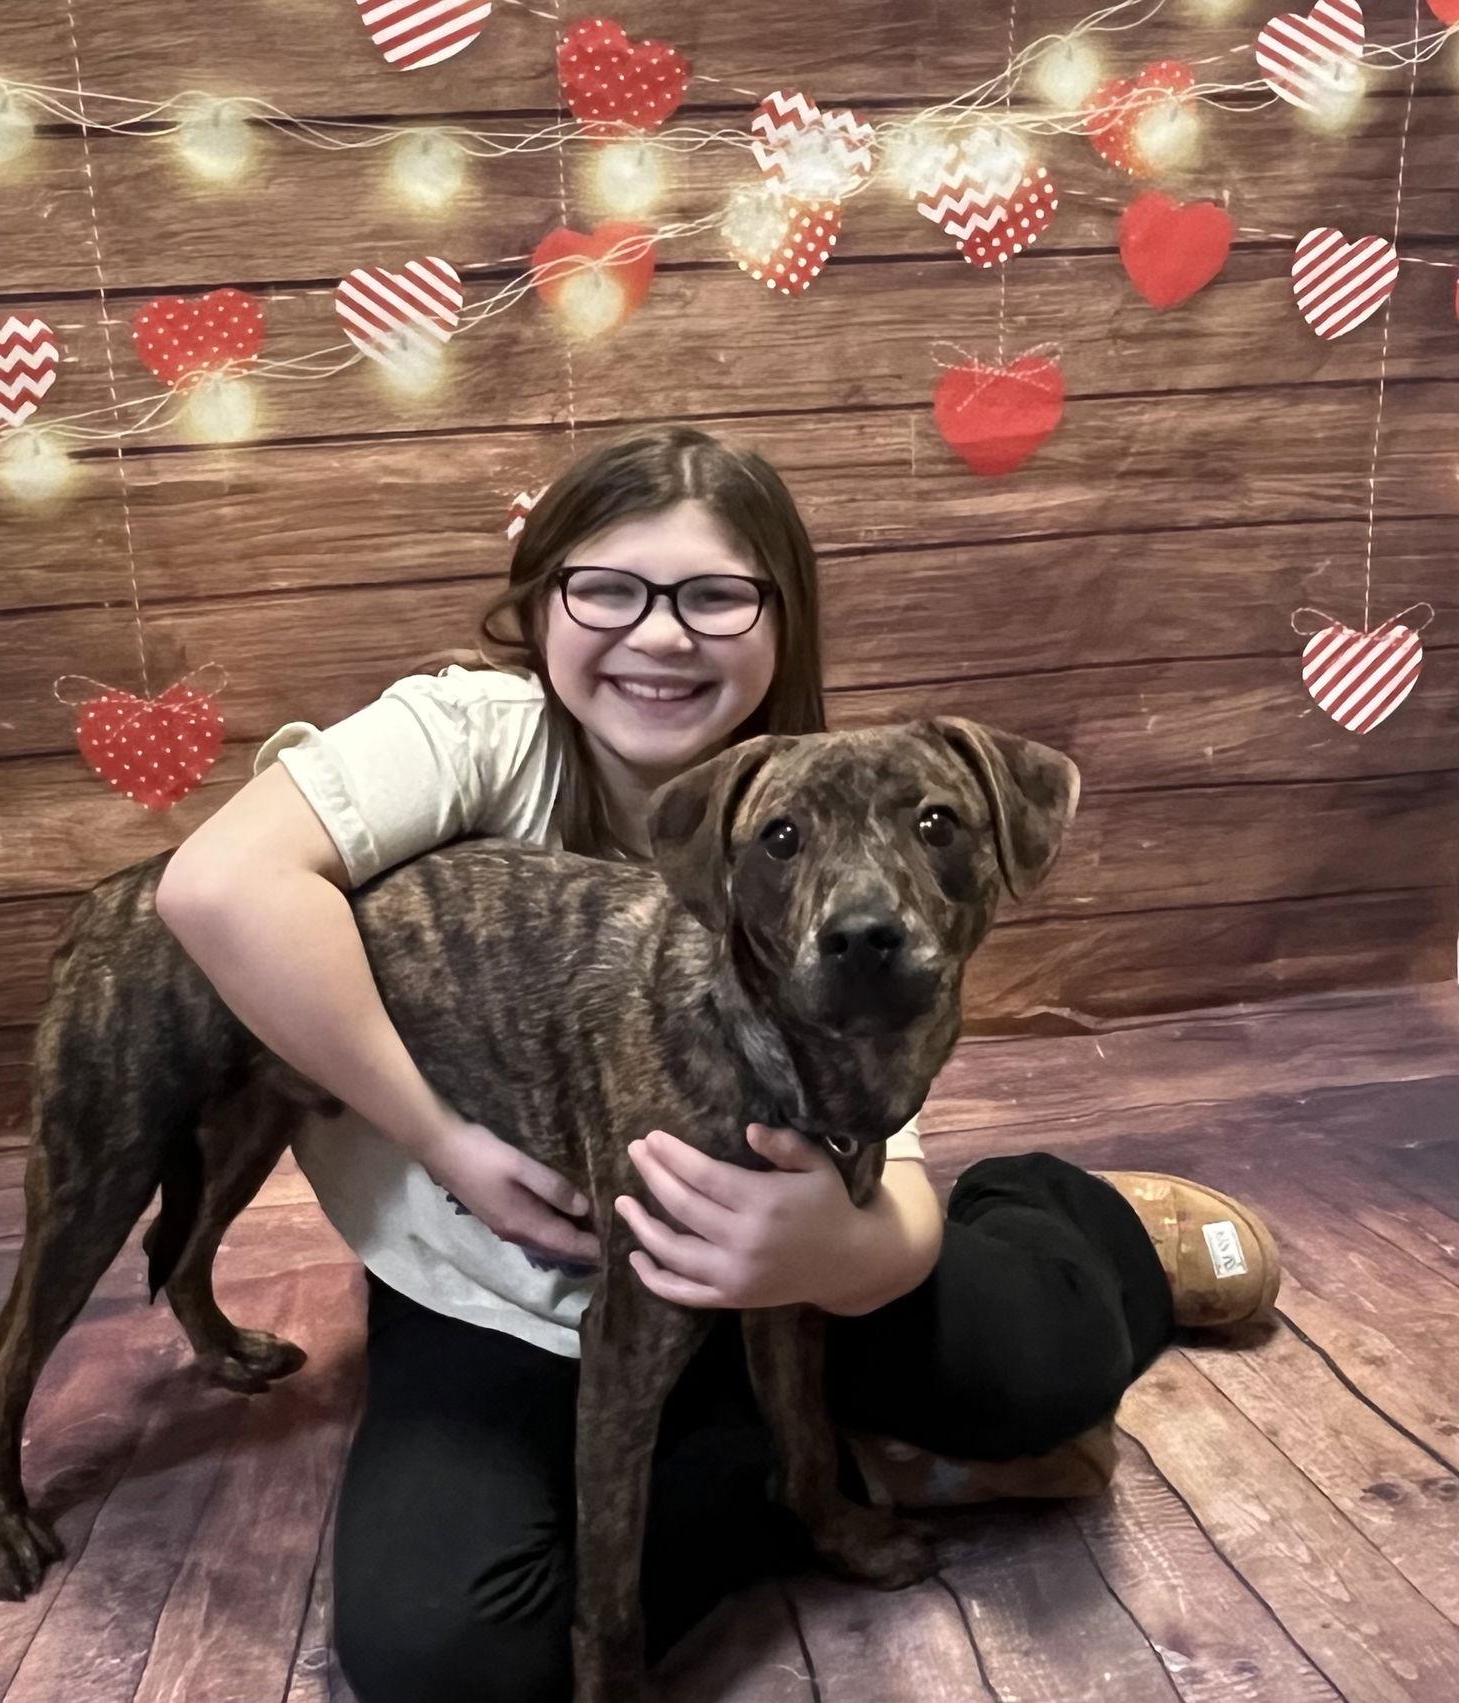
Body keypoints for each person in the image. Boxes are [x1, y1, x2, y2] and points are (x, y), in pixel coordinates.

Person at [155, 424, 1282, 1703]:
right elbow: (219, 884)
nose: (660, 635)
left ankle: (1080, 1217)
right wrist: (439, 1135)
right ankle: (820, 1473)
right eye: (608, 588)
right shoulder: (466, 732)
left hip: (792, 1238)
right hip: (494, 1286)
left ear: (780, 617)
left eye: (715, 594)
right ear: (541, 604)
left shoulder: (825, 777)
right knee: (448, 1658)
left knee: (1039, 1370)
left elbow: (871, 1141)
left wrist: (839, 1250)